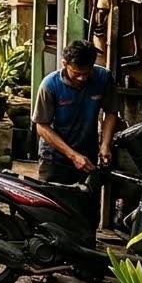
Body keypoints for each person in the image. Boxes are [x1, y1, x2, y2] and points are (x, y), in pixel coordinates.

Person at [33, 40, 119, 184]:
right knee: (53, 204)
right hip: (55, 159)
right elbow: (41, 126)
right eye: (77, 73)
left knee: (84, 203)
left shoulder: (103, 78)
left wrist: (105, 144)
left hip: (87, 156)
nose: (82, 78)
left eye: (87, 72)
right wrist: (73, 156)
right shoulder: (49, 85)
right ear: (64, 64)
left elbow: (111, 112)